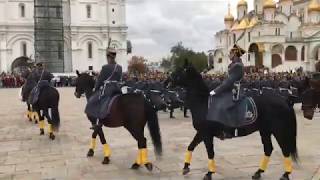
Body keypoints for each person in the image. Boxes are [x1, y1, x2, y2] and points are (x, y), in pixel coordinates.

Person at [207, 44, 246, 140]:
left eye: (231, 53)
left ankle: (229, 130)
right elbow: (226, 80)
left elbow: (229, 82)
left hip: (236, 90)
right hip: (230, 88)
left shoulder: (237, 66)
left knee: (223, 105)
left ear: (235, 54)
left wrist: (215, 91)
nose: (229, 55)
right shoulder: (232, 65)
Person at [85, 47, 122, 120]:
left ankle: (98, 121)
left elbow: (99, 81)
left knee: (93, 100)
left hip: (108, 89)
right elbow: (119, 79)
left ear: (108, 57)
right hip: (117, 88)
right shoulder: (119, 67)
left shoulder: (105, 67)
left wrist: (95, 90)